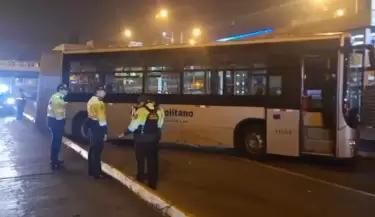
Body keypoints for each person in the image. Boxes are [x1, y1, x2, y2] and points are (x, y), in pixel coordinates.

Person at [119, 95, 165, 189]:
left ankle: (140, 180)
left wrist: (123, 134)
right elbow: (159, 125)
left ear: (142, 102)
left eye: (139, 102)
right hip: (154, 141)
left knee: (140, 161)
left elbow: (133, 126)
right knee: (152, 162)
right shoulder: (160, 110)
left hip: (141, 140)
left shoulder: (141, 111)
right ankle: (152, 184)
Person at [87, 85, 107, 179]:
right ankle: (97, 173)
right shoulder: (99, 103)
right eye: (103, 91)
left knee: (92, 150)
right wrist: (105, 133)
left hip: (93, 126)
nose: (105, 93)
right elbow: (102, 119)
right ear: (97, 92)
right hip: (98, 128)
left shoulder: (91, 100)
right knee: (97, 151)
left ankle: (91, 171)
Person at [47, 84, 68, 170]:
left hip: (55, 121)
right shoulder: (57, 97)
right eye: (65, 90)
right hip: (56, 121)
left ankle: (55, 160)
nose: (67, 91)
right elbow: (57, 110)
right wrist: (61, 122)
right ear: (61, 89)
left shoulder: (58, 97)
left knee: (57, 141)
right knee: (56, 141)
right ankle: (54, 162)